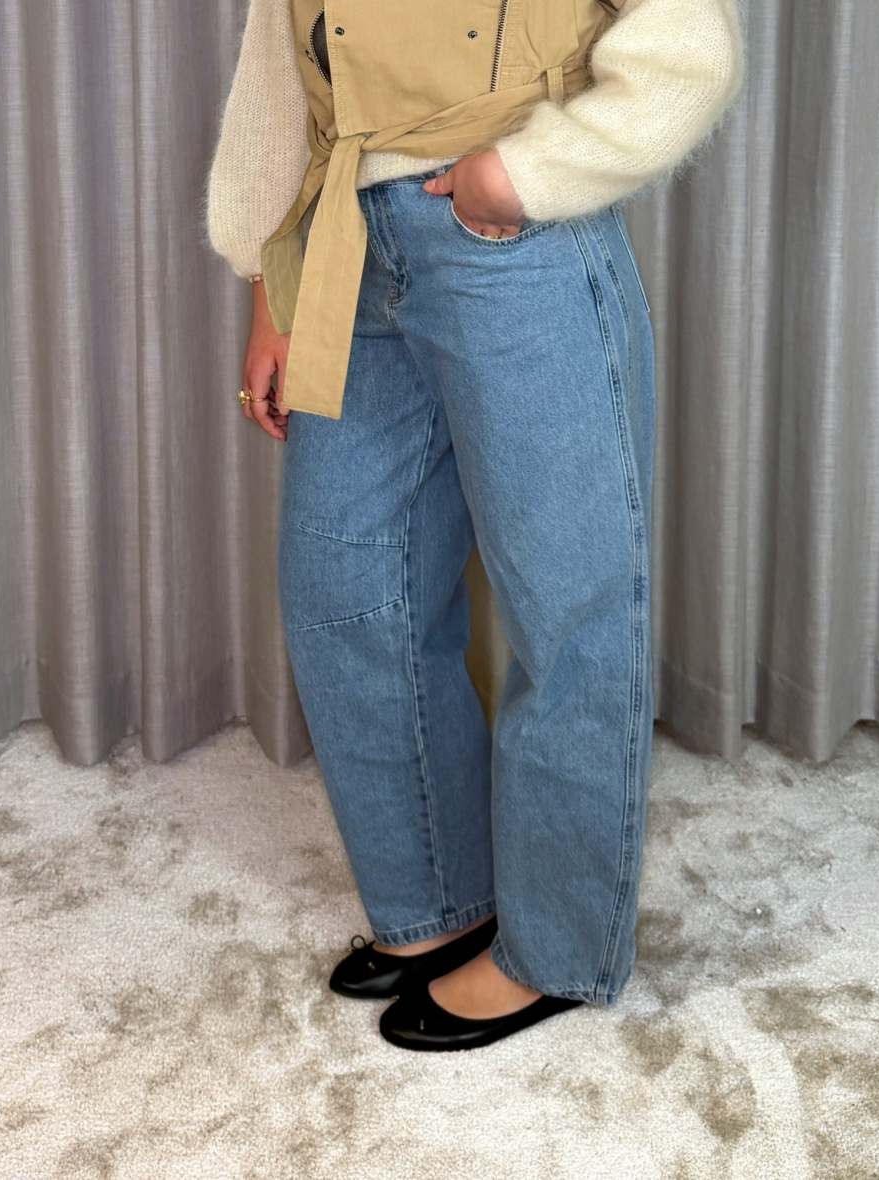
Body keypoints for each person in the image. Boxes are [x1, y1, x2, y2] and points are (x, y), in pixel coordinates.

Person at [206, 0, 744, 1051]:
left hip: (511, 241)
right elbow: (280, 61)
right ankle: (441, 900)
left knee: (570, 607)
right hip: (347, 243)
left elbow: (691, 41)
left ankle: (556, 950)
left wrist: (527, 173)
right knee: (345, 586)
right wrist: (271, 284)